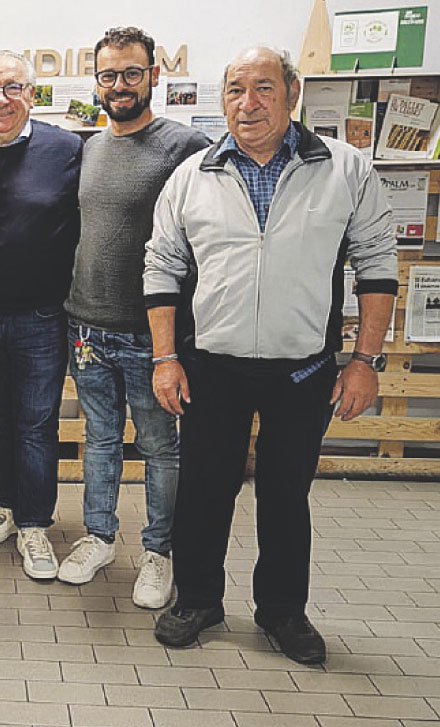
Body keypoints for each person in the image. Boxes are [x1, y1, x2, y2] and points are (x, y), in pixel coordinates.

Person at [145, 47, 397, 664]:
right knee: (204, 491)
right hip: (212, 366)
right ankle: (198, 600)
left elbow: (377, 264)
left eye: (263, 88)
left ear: (293, 93)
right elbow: (161, 266)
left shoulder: (344, 169)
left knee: (286, 494)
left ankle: (283, 610)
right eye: (235, 89)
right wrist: (164, 358)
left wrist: (364, 360)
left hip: (303, 369)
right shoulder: (193, 175)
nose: (248, 103)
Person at [57, 27, 210, 608]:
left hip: (152, 335)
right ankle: (98, 537)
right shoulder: (90, 148)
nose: (119, 85)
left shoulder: (185, 146)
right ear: (95, 81)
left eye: (131, 73)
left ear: (153, 76)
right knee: (99, 439)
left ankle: (159, 552)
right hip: (86, 327)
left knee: (158, 446)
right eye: (108, 75)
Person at [0, 51, 81, 581]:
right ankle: (7, 505)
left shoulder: (67, 150)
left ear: (32, 94)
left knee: (35, 425)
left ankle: (34, 524)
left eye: (12, 88)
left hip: (42, 317)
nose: (0, 100)